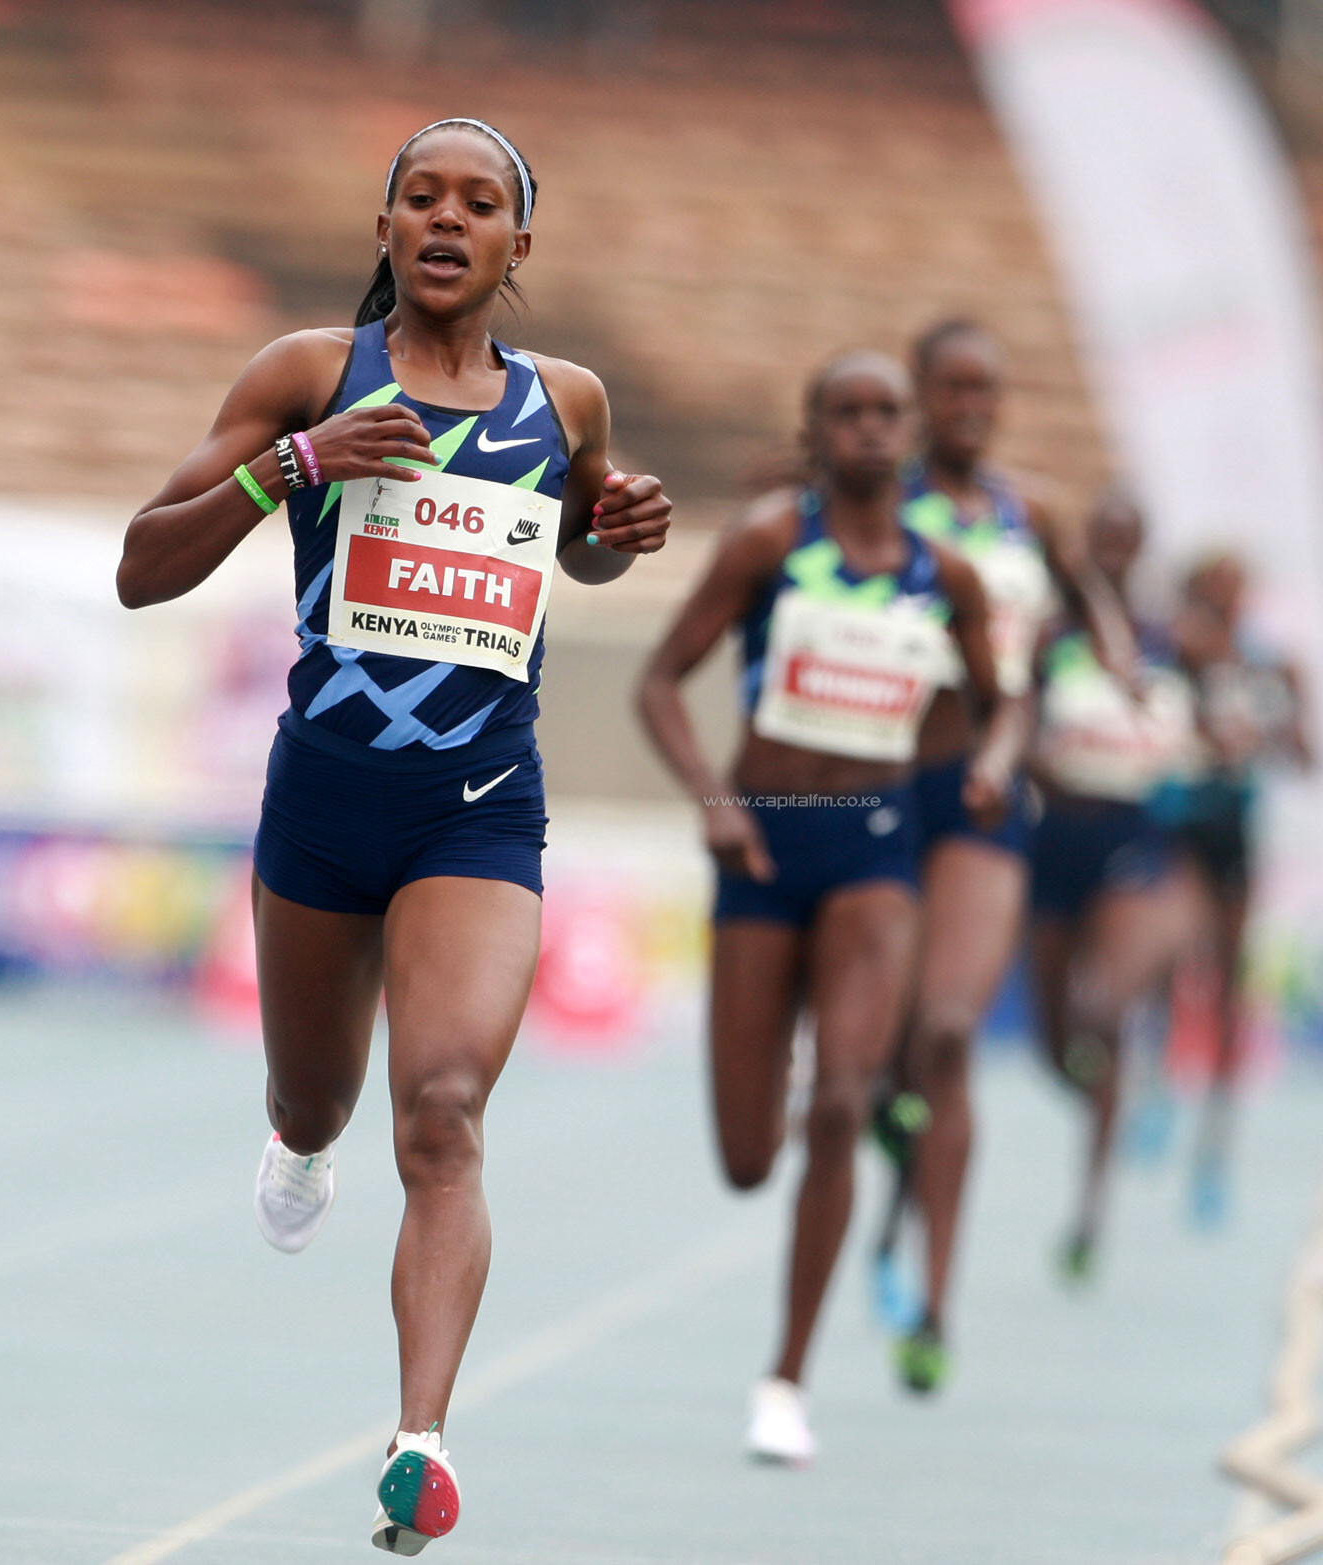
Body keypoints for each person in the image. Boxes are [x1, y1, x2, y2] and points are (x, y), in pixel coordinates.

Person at [115, 119, 672, 1554]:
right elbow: (140, 567)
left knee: (443, 1109)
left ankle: (418, 1445)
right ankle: (301, 1143)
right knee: (319, 1101)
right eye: (420, 196)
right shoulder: (310, 375)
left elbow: (575, 543)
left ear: (516, 245)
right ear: (384, 228)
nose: (446, 219)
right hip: (323, 800)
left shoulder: (567, 399)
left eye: (478, 203)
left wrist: (617, 528)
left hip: (475, 807)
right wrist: (294, 465)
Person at [635, 351, 1022, 1464]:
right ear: (814, 430)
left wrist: (993, 763)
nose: (868, 428)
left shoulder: (944, 574)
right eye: (845, 412)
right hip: (763, 846)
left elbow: (1003, 703)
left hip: (873, 849)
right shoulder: (769, 543)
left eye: (884, 411)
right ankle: (820, 1107)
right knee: (749, 1157)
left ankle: (786, 1378)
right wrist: (712, 802)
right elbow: (658, 682)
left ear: (908, 431)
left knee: (842, 1103)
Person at [871, 319, 1132, 1393]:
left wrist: (1110, 658)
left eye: (988, 387)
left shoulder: (1031, 514)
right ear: (918, 393)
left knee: (946, 1033)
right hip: (875, 787)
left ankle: (935, 1304)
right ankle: (889, 1131)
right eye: (952, 386)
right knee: (881, 1053)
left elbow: (1091, 606)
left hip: (985, 796)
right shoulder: (881, 499)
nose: (971, 405)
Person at [1025, 492, 1199, 1282]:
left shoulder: (1169, 642)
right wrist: (1036, 762)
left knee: (1102, 1011)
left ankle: (1091, 1209)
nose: (1113, 552)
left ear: (1143, 549)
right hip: (1055, 835)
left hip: (1132, 835)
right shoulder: (1051, 637)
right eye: (1102, 537)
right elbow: (1012, 719)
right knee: (1057, 1044)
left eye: (1127, 540)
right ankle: (1100, 1086)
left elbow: (1215, 720)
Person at [1152, 553, 1312, 1229]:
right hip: (1176, 830)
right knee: (1167, 963)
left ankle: (1214, 1151)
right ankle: (1154, 1087)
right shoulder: (1173, 653)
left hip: (1233, 836)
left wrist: (1271, 730)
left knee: (1227, 990)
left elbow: (1307, 756)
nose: (1226, 602)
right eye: (1212, 591)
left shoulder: (1269, 666)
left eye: (1235, 591)